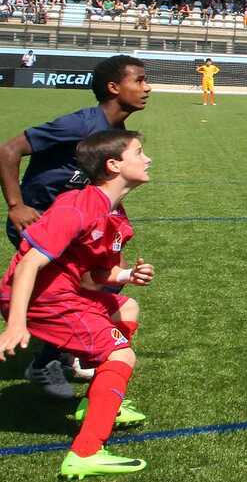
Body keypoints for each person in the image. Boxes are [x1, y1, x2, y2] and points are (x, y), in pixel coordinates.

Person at [0, 129, 156, 479]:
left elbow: (94, 276)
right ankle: (86, 452)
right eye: (139, 152)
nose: (147, 159)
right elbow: (28, 264)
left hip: (63, 292)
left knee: (127, 308)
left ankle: (99, 401)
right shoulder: (77, 206)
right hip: (42, 299)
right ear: (113, 165)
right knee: (121, 355)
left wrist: (127, 275)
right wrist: (16, 324)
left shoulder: (115, 214)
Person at [0, 54, 150, 399]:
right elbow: (8, 150)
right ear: (114, 87)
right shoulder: (80, 125)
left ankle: (73, 350)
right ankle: (47, 362)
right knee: (65, 294)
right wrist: (16, 205)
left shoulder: (114, 135)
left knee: (103, 283)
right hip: (41, 222)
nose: (147, 87)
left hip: (76, 225)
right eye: (139, 80)